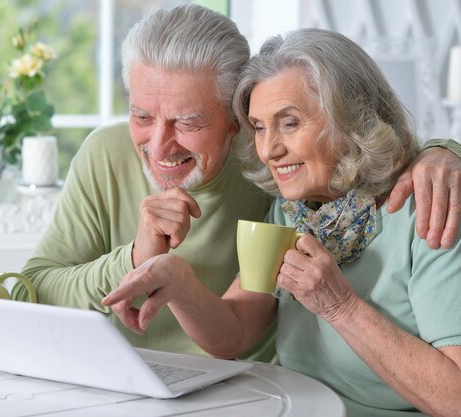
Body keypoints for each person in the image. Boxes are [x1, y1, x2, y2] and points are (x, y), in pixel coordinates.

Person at [14, 4, 461, 361]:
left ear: (234, 124)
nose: (159, 144)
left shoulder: (276, 178)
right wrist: (138, 261)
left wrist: (445, 150)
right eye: (142, 116)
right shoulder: (286, 199)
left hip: (250, 392)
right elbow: (36, 291)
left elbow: (373, 140)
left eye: (187, 122)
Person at [102, 28, 461, 416]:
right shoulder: (293, 209)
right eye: (259, 126)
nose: (269, 149)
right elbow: (236, 331)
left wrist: (341, 307)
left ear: (353, 116)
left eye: (289, 123)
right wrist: (177, 281)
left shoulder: (429, 206)